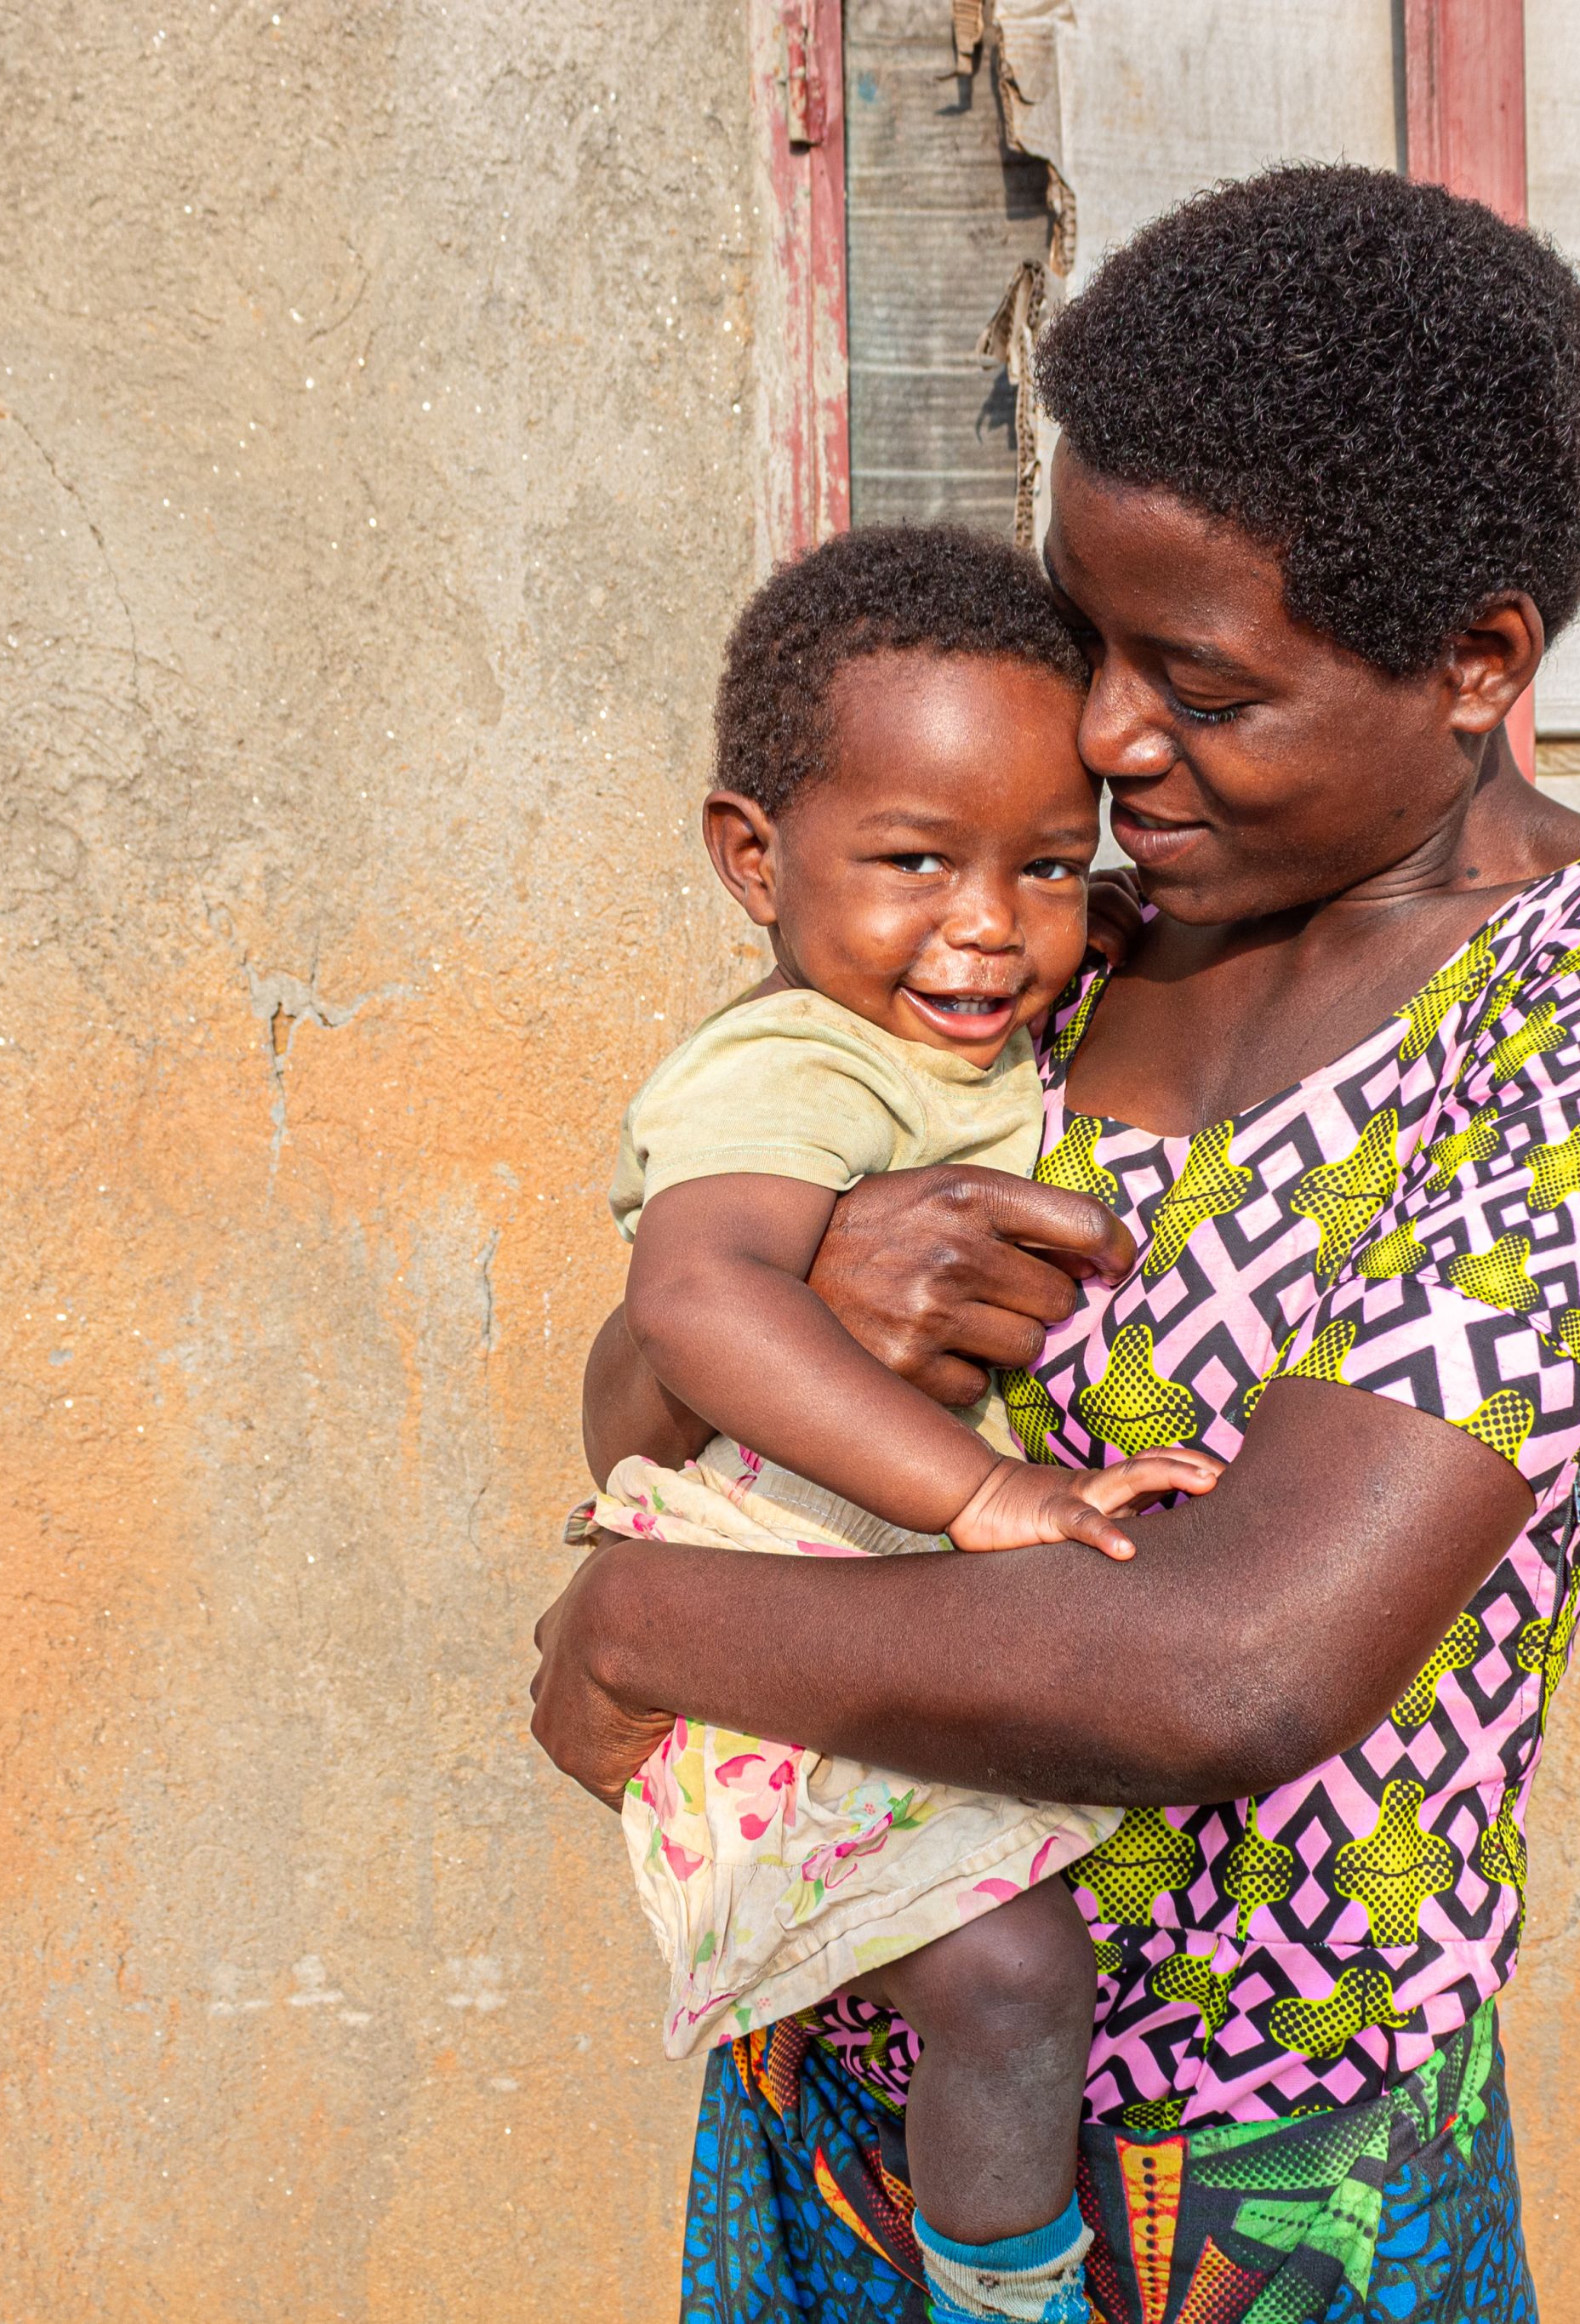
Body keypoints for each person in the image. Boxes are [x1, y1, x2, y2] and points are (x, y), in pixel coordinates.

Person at [536, 164, 1580, 2324]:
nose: (1108, 737)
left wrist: (649, 1626)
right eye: (1085, 636)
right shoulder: (1050, 932)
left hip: (1266, 2171)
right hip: (856, 2080)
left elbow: (1235, 1664)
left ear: (1476, 662)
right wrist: (805, 1304)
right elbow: (653, 1369)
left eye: (1198, 684)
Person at [587, 522, 1224, 2324]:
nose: (981, 927)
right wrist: (987, 1497)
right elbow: (699, 1303)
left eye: (1039, 865)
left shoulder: (961, 1029)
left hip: (868, 1586)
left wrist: (1100, 911)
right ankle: (997, 2296)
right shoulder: (787, 1065)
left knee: (1015, 1974)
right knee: (1012, 1978)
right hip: (776, 1606)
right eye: (912, 861)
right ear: (749, 856)